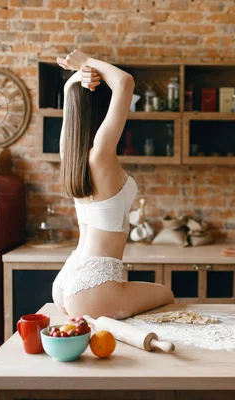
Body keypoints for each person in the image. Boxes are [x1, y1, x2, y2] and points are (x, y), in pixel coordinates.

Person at [51, 49, 174, 319]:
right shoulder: (100, 154)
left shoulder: (68, 155)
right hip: (92, 285)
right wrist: (84, 62)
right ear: (103, 112)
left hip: (69, 277)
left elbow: (70, 100)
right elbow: (125, 82)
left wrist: (74, 78)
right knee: (166, 294)